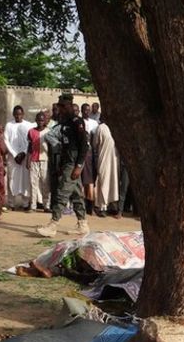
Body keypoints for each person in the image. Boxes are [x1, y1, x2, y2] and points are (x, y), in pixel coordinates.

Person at [36, 94, 90, 237]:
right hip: (66, 161)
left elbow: (84, 145)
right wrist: (61, 165)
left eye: (63, 106)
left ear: (69, 106)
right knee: (77, 195)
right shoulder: (64, 122)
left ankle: (53, 225)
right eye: (60, 106)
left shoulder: (77, 122)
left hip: (73, 163)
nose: (61, 109)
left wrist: (79, 166)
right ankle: (82, 224)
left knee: (61, 193)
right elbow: (63, 146)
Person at [4, 105, 34, 209]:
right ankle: (11, 203)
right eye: (16, 114)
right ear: (13, 114)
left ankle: (25, 203)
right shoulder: (9, 125)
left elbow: (30, 141)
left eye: (20, 114)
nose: (18, 116)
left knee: (25, 180)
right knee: (12, 178)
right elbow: (6, 140)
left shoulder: (28, 125)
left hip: (24, 157)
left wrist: (23, 153)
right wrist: (14, 154)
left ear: (23, 114)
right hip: (13, 158)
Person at [92, 115, 120, 216]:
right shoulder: (101, 128)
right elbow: (95, 144)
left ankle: (112, 205)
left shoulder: (116, 127)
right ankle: (102, 207)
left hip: (115, 159)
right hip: (103, 158)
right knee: (103, 181)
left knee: (113, 182)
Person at [27, 111, 51, 211]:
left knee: (45, 183)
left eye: (42, 120)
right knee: (33, 183)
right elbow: (29, 147)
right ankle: (33, 205)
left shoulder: (48, 131)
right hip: (34, 160)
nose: (40, 122)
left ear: (45, 121)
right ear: (36, 121)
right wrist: (28, 160)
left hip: (45, 159)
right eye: (39, 120)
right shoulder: (31, 131)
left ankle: (47, 205)